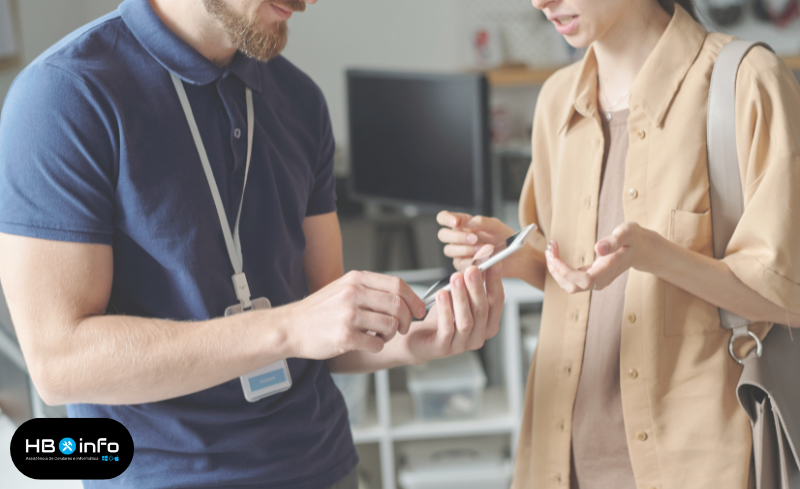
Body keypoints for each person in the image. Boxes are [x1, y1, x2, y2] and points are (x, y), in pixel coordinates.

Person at [0, 0, 505, 488]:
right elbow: (60, 362)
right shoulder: (62, 95)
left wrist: (420, 336)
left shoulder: (301, 101)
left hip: (323, 466)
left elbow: (327, 330)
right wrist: (285, 328)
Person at [437, 0, 800, 487]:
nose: (540, 2)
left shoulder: (746, 82)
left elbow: (787, 294)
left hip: (697, 466)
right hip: (560, 462)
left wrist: (657, 257)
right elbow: (578, 293)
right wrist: (517, 255)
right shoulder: (556, 102)